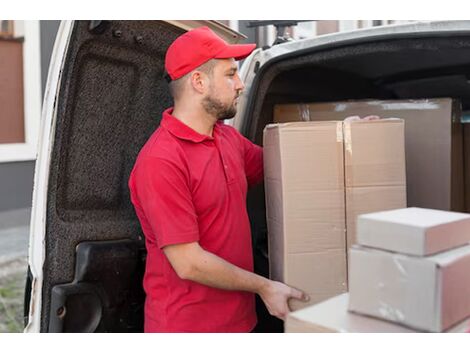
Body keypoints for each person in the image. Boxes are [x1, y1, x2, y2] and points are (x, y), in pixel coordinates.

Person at [128, 26, 309, 333]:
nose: (240, 85)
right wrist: (264, 287)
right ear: (198, 82)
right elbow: (189, 262)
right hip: (188, 328)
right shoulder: (161, 161)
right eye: (230, 74)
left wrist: (345, 136)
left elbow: (283, 162)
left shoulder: (227, 139)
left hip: (240, 320)